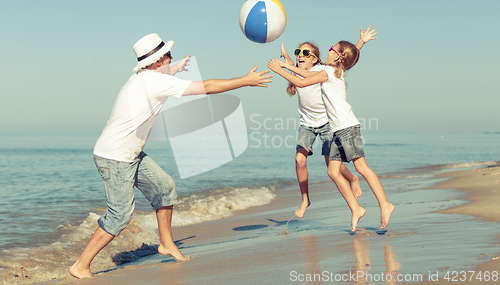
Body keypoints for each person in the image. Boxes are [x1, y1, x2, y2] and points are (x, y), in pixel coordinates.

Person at [69, 33, 272, 279]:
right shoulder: (154, 82)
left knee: (164, 187)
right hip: (115, 156)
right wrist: (245, 80)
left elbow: (162, 75)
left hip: (129, 153)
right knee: (119, 215)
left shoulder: (144, 78)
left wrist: (175, 67)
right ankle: (80, 265)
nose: (170, 58)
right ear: (156, 62)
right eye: (167, 56)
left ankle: (166, 244)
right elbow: (206, 87)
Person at [268, 37, 394, 232]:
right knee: (333, 172)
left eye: (332, 48)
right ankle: (356, 208)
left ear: (338, 56)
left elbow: (303, 82)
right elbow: (309, 71)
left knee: (361, 167)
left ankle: (385, 204)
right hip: (337, 130)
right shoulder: (336, 70)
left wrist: (280, 70)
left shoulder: (328, 72)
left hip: (347, 126)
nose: (330, 49)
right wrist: (360, 43)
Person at [281, 27, 377, 218]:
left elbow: (343, 60)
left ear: (315, 58)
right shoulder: (297, 72)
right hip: (307, 123)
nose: (301, 55)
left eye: (306, 53)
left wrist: (361, 43)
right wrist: (286, 62)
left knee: (332, 165)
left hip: (327, 123)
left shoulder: (322, 70)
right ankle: (305, 199)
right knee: (299, 160)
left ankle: (352, 178)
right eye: (298, 52)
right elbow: (292, 68)